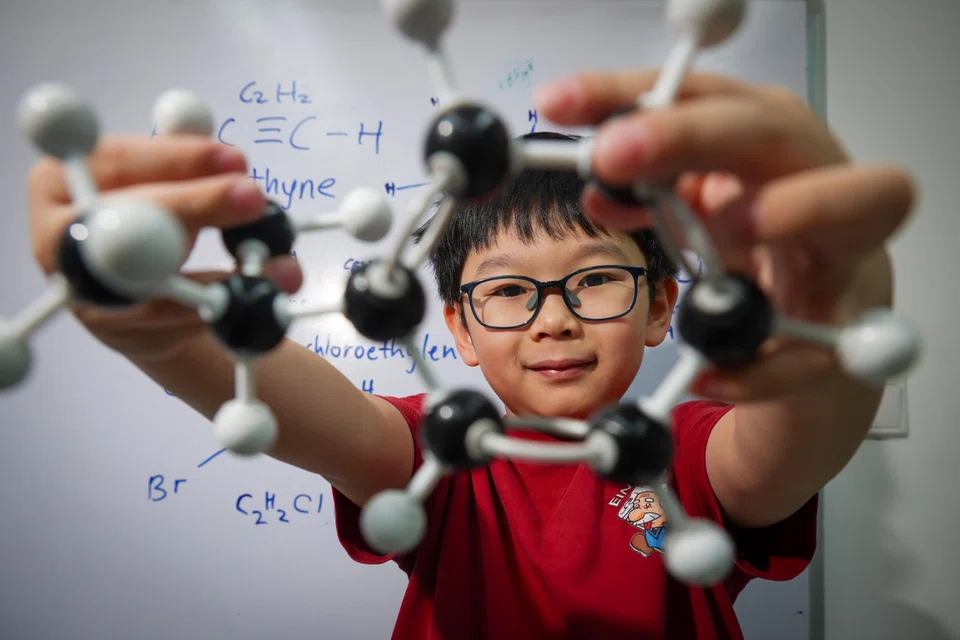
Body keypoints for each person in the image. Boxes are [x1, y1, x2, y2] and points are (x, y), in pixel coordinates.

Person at [25, 69, 916, 639]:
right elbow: (307, 411)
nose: (552, 321)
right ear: (456, 326)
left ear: (660, 307)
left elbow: (786, 445)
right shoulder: (436, 455)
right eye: (508, 291)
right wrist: (162, 319)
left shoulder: (689, 451)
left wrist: (832, 321)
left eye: (594, 281)